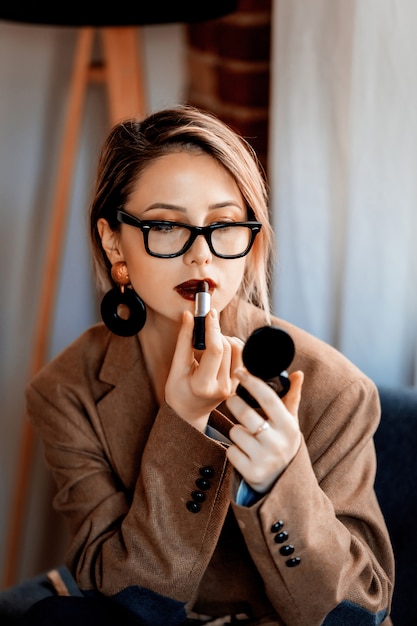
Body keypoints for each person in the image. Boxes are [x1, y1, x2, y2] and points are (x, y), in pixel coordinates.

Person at [20, 105, 393, 625]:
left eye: (223, 225)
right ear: (113, 240)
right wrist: (181, 425)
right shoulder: (66, 389)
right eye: (166, 226)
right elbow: (120, 599)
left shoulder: (337, 390)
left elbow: (361, 613)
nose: (201, 257)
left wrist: (280, 483)